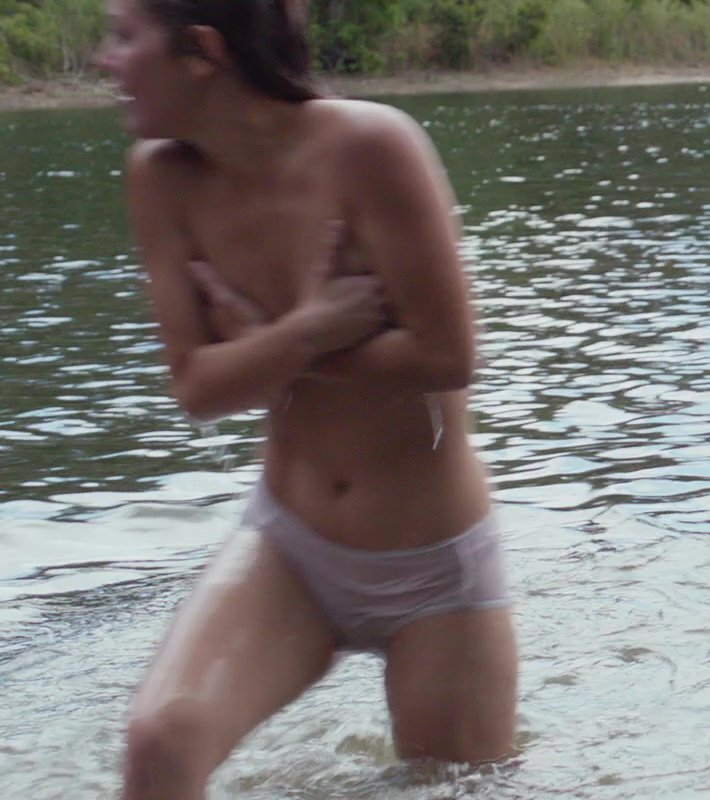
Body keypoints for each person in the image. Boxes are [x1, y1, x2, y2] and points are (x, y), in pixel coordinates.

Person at [95, 1, 516, 796]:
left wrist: (267, 347)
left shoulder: (371, 146)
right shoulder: (160, 177)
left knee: (455, 786)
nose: (103, 60)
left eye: (123, 35)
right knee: (159, 744)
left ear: (202, 52)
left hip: (434, 567)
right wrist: (308, 330)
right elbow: (197, 388)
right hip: (291, 548)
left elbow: (449, 356)